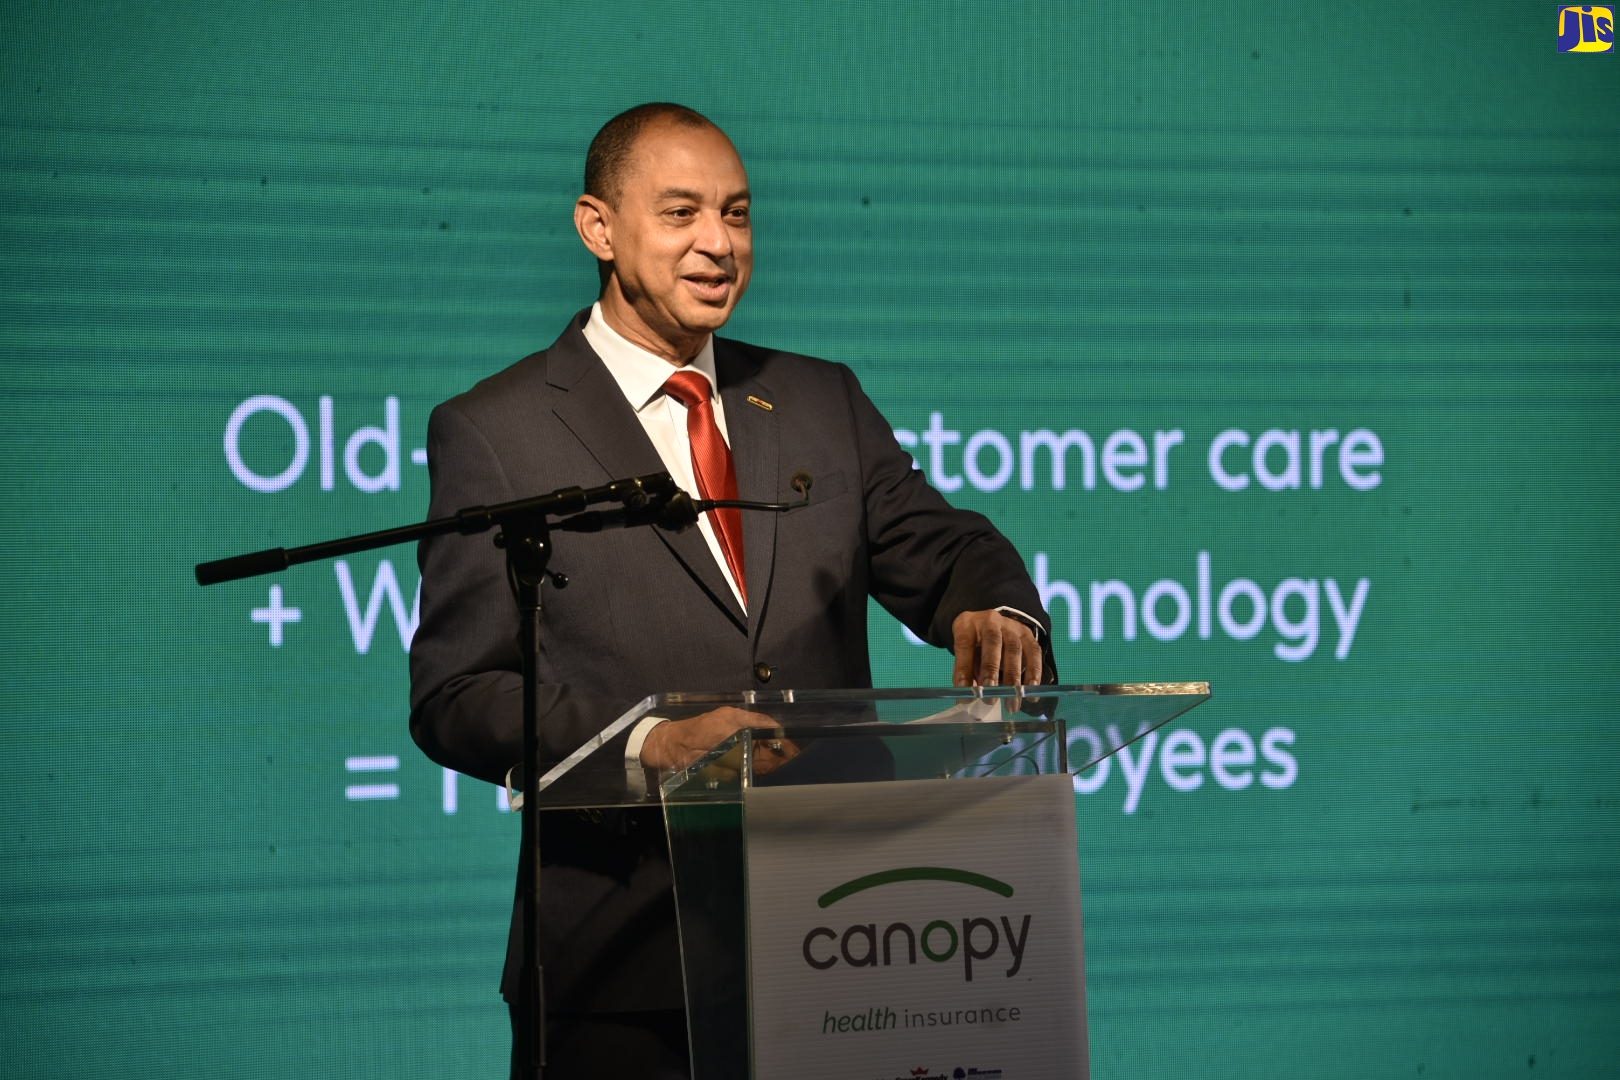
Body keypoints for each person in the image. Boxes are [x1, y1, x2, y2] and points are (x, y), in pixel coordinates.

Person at [408, 102, 1056, 1079]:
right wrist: (650, 744)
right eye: (681, 214)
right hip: (628, 968)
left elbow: (944, 545)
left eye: (738, 214)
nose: (719, 244)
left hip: (848, 938)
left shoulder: (816, 400)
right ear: (597, 226)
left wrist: (995, 610)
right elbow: (458, 695)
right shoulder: (498, 431)